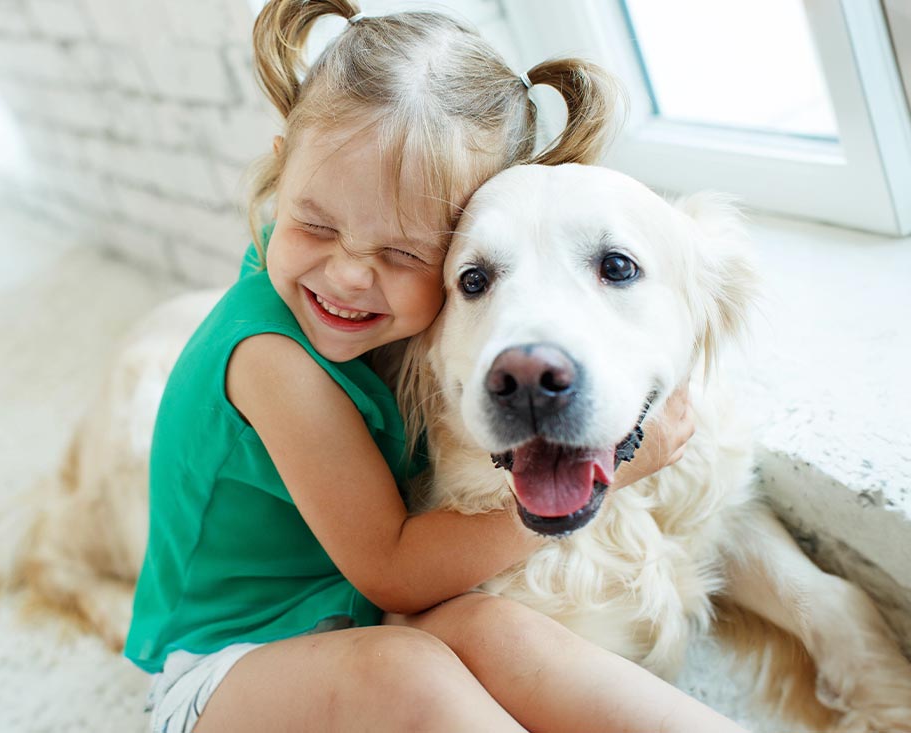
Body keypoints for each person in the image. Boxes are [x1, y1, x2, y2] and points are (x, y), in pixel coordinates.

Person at [126, 2, 745, 731]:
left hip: (355, 620)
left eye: (402, 253)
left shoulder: (385, 321)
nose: (351, 274)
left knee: (495, 629)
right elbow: (393, 568)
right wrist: (627, 472)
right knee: (404, 672)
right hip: (226, 669)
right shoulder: (273, 361)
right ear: (280, 170)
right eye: (316, 224)